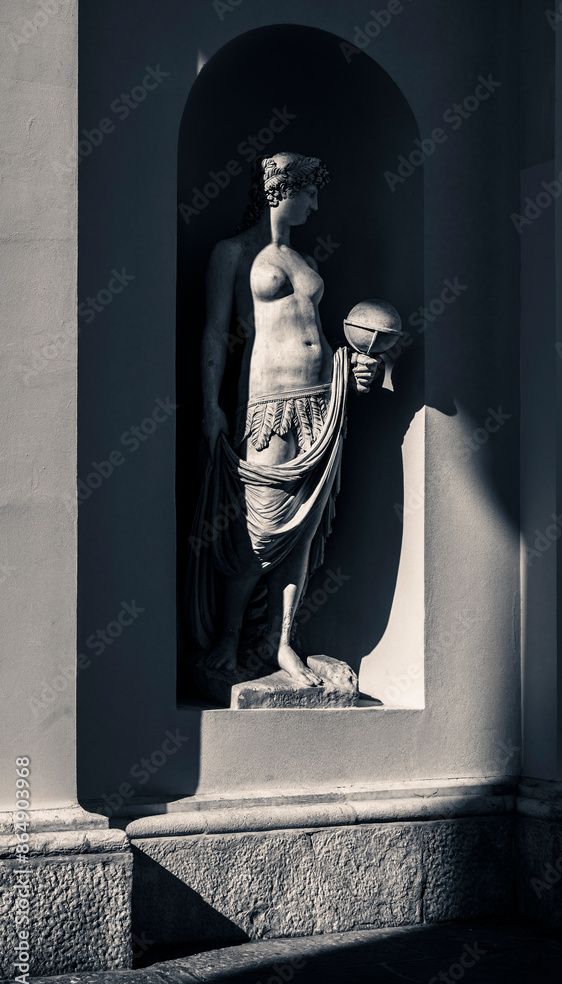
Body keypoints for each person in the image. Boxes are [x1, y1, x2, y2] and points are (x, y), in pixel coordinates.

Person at [187, 152, 377, 690]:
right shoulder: (233, 254)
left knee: (304, 532)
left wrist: (352, 363)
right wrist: (209, 405)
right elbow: (213, 334)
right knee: (262, 528)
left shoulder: (304, 259)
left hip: (322, 398)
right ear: (280, 188)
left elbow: (315, 326)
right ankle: (228, 636)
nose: (315, 203)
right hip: (267, 401)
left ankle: (282, 640)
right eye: (309, 192)